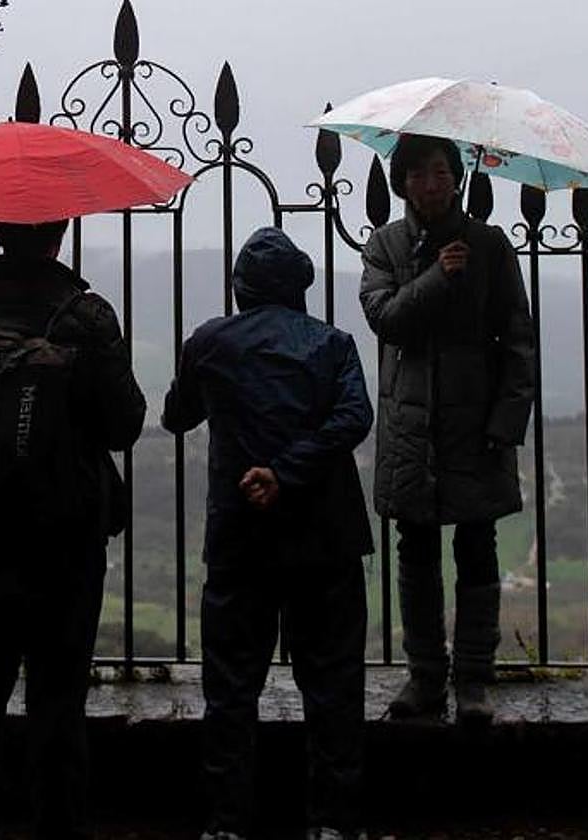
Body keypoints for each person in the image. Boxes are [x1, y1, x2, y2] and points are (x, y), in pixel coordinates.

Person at [0, 219, 146, 840]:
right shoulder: (86, 318)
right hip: (67, 538)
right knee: (57, 699)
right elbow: (124, 424)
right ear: (60, 232)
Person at [163, 227, 373, 840]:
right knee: (332, 685)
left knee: (231, 687)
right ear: (301, 286)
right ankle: (332, 822)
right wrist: (289, 471)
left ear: (240, 288)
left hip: (240, 539)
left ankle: (228, 822)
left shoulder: (211, 342)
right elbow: (354, 418)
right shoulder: (332, 345)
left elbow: (178, 417)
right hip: (325, 538)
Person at [358, 134, 536, 724]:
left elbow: (518, 342)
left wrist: (506, 423)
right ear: (401, 183)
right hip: (413, 430)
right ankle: (425, 677)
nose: (430, 185)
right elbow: (386, 321)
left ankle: (475, 681)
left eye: (440, 173)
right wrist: (437, 274)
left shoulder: (490, 246)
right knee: (415, 552)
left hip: (476, 425)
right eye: (418, 175)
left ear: (456, 179)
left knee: (478, 549)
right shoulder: (384, 246)